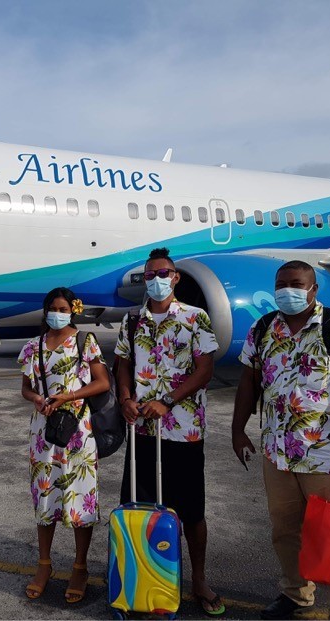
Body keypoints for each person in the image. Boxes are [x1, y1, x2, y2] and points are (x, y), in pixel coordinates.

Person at [231, 260, 330, 621]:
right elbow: (248, 382)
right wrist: (237, 429)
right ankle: (296, 594)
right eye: (281, 284)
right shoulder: (263, 328)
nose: (287, 291)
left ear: (313, 289)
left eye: (296, 284)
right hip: (276, 454)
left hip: (327, 457)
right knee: (285, 532)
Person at [114, 247, 225, 616]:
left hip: (184, 431)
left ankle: (198, 579)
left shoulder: (196, 318)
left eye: (163, 274)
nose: (157, 280)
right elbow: (123, 364)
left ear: (175, 277)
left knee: (191, 510)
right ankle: (145, 578)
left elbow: (204, 369)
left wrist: (168, 400)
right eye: (149, 275)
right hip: (142, 431)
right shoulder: (131, 321)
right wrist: (126, 397)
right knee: (141, 506)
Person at [17, 288, 110, 604]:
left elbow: (102, 382)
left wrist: (68, 396)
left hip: (77, 432)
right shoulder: (34, 346)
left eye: (63, 308)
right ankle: (44, 565)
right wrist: (38, 399)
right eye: (52, 308)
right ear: (45, 312)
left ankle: (80, 567)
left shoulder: (85, 342)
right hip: (43, 432)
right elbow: (25, 388)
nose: (57, 313)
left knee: (79, 499)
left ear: (73, 310)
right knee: (46, 496)